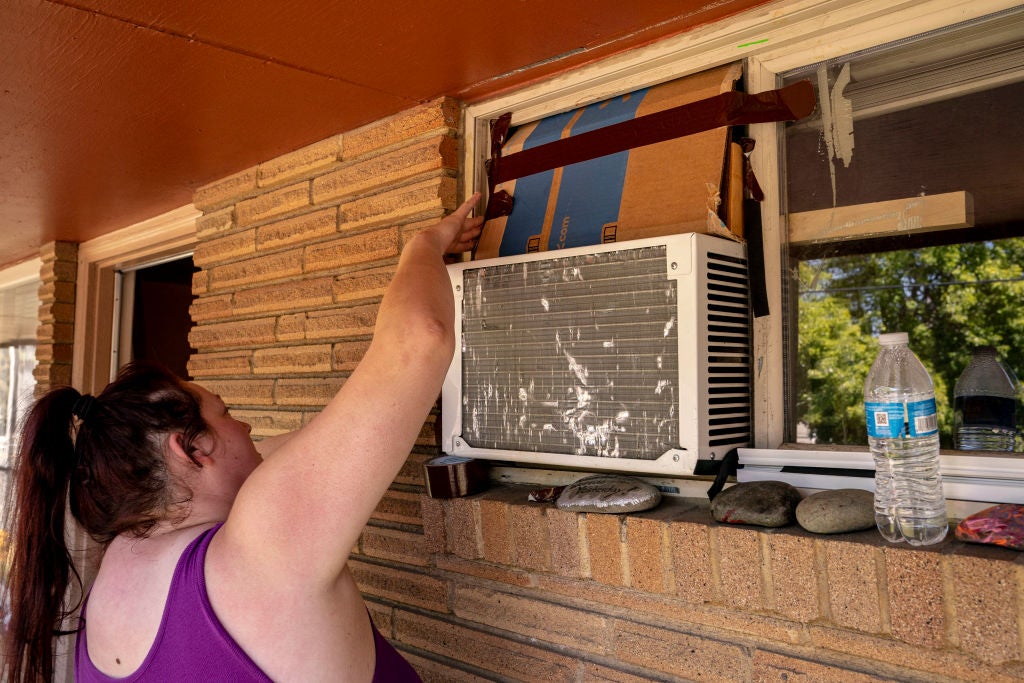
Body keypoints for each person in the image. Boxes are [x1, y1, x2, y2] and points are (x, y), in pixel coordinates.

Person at [2, 194, 484, 682]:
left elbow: (310, 449)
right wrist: (424, 245)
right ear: (191, 449)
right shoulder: (261, 550)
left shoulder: (115, 568)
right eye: (225, 413)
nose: (247, 428)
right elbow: (420, 337)